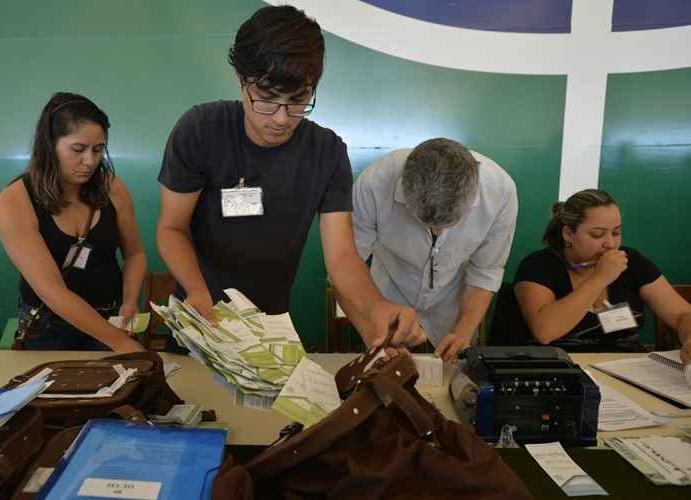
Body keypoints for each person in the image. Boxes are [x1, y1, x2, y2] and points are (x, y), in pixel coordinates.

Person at [156, 5, 423, 352]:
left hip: (272, 328)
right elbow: (171, 229)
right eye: (266, 100)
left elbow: (342, 256)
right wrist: (196, 289)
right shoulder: (201, 130)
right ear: (241, 80)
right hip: (201, 317)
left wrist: (376, 307)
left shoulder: (326, 152)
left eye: (298, 101)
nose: (281, 118)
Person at [0, 92, 146, 352]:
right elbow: (52, 291)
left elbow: (135, 254)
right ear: (50, 144)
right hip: (49, 328)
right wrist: (120, 342)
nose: (89, 161)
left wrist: (130, 302)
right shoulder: (14, 201)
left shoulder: (112, 188)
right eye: (78, 149)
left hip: (111, 318)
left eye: (98, 150)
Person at [346, 138, 518, 361]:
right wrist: (372, 334)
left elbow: (486, 270)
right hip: (387, 293)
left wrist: (463, 330)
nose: (437, 234)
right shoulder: (374, 184)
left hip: (454, 300)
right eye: (426, 225)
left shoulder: (500, 193)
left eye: (449, 224)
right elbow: (347, 264)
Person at [514, 189, 691, 361]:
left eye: (616, 233)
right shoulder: (538, 265)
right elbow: (545, 332)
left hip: (626, 368)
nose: (610, 243)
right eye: (597, 235)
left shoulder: (631, 261)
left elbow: (682, 314)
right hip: (563, 370)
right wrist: (600, 278)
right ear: (568, 234)